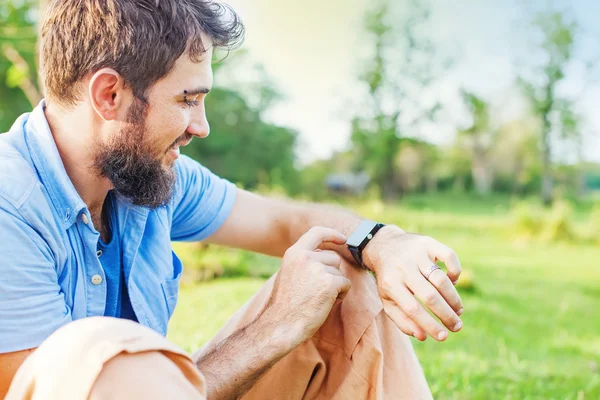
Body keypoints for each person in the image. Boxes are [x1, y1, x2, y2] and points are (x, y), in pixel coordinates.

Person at [0, 1, 464, 398]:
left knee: (339, 270)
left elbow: (287, 222)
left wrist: (381, 241)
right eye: (187, 99)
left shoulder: (145, 176)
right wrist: (272, 329)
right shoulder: (9, 205)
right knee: (98, 353)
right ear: (110, 93)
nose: (201, 126)